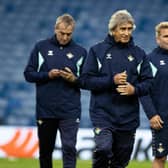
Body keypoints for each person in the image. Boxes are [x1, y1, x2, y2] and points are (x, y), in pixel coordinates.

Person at [79, 10, 153, 168]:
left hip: (128, 118)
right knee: (104, 148)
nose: (127, 33)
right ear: (113, 30)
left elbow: (148, 83)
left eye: (129, 29)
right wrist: (111, 81)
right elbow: (85, 81)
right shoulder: (97, 51)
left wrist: (134, 90)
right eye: (122, 29)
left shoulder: (139, 54)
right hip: (103, 114)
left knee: (120, 164)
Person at [24, 14, 87, 168]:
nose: (65, 37)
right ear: (55, 29)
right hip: (46, 110)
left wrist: (74, 79)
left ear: (73, 32)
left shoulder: (80, 52)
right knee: (46, 151)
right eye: (62, 33)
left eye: (69, 34)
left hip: (70, 110)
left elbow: (88, 81)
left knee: (69, 148)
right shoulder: (41, 48)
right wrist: (48, 75)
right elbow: (28, 74)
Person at [141, 22, 168, 168]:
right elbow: (143, 91)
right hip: (162, 119)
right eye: (166, 36)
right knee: (161, 158)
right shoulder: (150, 60)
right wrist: (151, 114)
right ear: (158, 39)